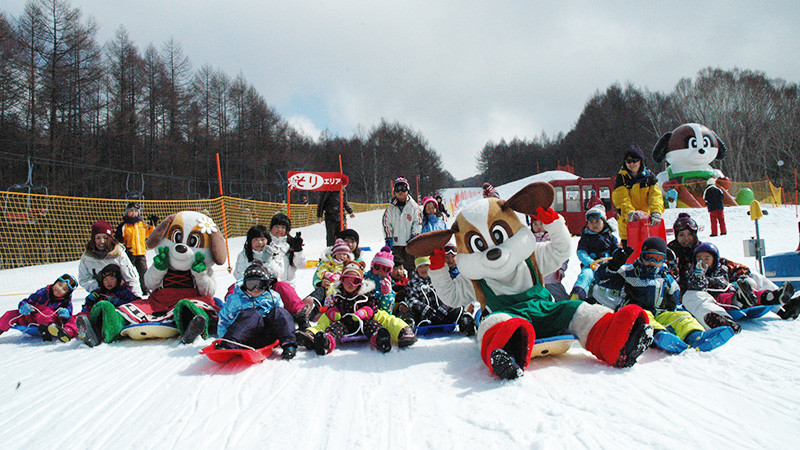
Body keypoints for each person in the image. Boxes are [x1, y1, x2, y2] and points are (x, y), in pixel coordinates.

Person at [595, 237, 734, 353]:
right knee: (645, 316)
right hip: (634, 313)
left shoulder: (665, 276)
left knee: (682, 317)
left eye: (657, 258)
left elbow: (674, 297)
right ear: (641, 255)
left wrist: (678, 309)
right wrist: (613, 266)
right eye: (648, 257)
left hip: (660, 313)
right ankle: (660, 336)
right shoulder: (629, 272)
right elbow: (602, 280)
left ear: (663, 260)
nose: (652, 263)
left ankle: (696, 336)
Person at [682, 242, 799, 329]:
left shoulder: (722, 268)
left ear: (715, 260)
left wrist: (742, 277)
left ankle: (776, 299)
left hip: (732, 291)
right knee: (728, 298)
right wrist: (699, 276)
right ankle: (724, 319)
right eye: (699, 259)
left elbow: (729, 275)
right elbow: (694, 286)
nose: (703, 261)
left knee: (752, 282)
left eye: (707, 258)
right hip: (718, 299)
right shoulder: (692, 271)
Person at [215, 261, 297, 360]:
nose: (255, 289)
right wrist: (223, 338)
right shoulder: (235, 300)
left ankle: (289, 344)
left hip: (268, 335)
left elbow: (283, 319)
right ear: (245, 285)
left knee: (279, 311)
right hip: (244, 338)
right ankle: (229, 344)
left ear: (266, 284)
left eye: (260, 284)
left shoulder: (273, 296)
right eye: (251, 285)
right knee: (252, 315)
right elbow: (224, 319)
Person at [233, 225, 309, 329]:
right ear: (250, 242)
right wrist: (252, 278)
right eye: (256, 240)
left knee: (283, 286)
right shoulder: (244, 255)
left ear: (268, 240)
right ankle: (231, 316)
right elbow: (238, 274)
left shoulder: (274, 253)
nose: (260, 243)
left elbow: (278, 273)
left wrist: (267, 262)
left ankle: (301, 316)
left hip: (269, 288)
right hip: (249, 288)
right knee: (233, 289)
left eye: (262, 239)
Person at [312, 260, 394, 355]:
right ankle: (326, 342)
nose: (350, 285)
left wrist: (365, 312)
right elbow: (331, 307)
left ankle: (380, 339)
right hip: (344, 322)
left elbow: (372, 307)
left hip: (363, 322)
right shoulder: (338, 295)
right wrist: (333, 312)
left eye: (355, 281)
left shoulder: (365, 295)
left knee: (373, 325)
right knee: (335, 328)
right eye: (346, 280)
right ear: (341, 281)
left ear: (360, 282)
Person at [395, 256, 476, 336]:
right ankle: (410, 325)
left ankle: (465, 322)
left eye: (426, 266)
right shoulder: (413, 283)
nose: (423, 269)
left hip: (443, 314)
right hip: (424, 316)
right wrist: (424, 309)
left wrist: (444, 308)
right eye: (420, 267)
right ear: (416, 269)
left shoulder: (439, 279)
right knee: (410, 311)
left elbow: (449, 293)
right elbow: (411, 299)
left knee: (457, 307)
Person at [611, 145, 664, 247]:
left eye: (635, 160)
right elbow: (621, 199)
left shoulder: (649, 177)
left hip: (647, 225)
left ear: (641, 161)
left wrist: (656, 211)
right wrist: (629, 213)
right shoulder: (622, 178)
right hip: (629, 227)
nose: (632, 164)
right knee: (631, 258)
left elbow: (656, 196)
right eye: (628, 161)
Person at [0, 274, 78, 343]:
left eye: (64, 289)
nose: (59, 289)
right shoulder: (43, 292)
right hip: (32, 318)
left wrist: (65, 315)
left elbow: (68, 319)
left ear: (67, 294)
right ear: (55, 282)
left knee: (47, 313)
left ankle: (47, 332)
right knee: (10, 314)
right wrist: (24, 306)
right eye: (59, 284)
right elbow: (28, 301)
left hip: (49, 322)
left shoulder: (65, 302)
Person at [76, 264, 140, 347]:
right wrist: (90, 299)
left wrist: (118, 302)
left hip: (115, 319)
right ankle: (85, 329)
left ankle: (101, 334)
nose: (108, 282)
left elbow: (134, 303)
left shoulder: (123, 291)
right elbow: (88, 305)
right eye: (105, 279)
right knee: (87, 312)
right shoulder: (100, 292)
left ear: (118, 279)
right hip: (98, 319)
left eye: (112, 279)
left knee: (106, 306)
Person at [78, 220, 143, 298]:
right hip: (100, 295)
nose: (101, 241)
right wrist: (100, 286)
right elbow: (84, 280)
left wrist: (136, 297)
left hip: (122, 294)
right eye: (98, 238)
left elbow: (131, 279)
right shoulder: (87, 258)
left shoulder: (119, 254)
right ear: (93, 239)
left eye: (105, 238)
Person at [571, 205, 620, 300]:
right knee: (585, 275)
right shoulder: (586, 238)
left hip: (608, 266)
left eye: (597, 221)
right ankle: (577, 294)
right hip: (592, 266)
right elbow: (581, 252)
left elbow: (616, 249)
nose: (594, 224)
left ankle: (619, 296)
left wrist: (619, 255)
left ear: (604, 222)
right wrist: (590, 262)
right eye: (591, 222)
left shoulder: (610, 237)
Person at [114, 202, 156, 295]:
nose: (133, 213)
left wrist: (153, 225)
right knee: (127, 272)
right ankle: (125, 289)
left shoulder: (141, 224)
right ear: (127, 212)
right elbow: (119, 239)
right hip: (130, 252)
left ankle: (145, 289)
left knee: (143, 272)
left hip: (140, 252)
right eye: (131, 211)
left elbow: (149, 234)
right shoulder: (124, 226)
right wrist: (122, 243)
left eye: (135, 212)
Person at [383, 176, 422, 270]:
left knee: (411, 265)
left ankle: (411, 281)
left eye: (403, 189)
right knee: (398, 266)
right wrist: (389, 237)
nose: (400, 192)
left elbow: (417, 222)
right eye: (398, 189)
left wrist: (414, 235)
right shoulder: (391, 208)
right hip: (396, 244)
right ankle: (398, 283)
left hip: (410, 243)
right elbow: (386, 223)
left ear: (408, 190)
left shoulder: (413, 206)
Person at [531, 219, 570, 301]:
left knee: (561, 297)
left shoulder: (552, 238)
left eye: (541, 223)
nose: (538, 227)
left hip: (552, 276)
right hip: (536, 278)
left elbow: (562, 255)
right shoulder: (530, 239)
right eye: (535, 224)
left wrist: (561, 269)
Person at [266, 213, 306, 288]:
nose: (279, 230)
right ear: (271, 228)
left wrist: (298, 250)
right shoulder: (265, 243)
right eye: (276, 227)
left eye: (283, 227)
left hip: (288, 286)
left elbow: (301, 264)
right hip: (269, 287)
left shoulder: (291, 244)